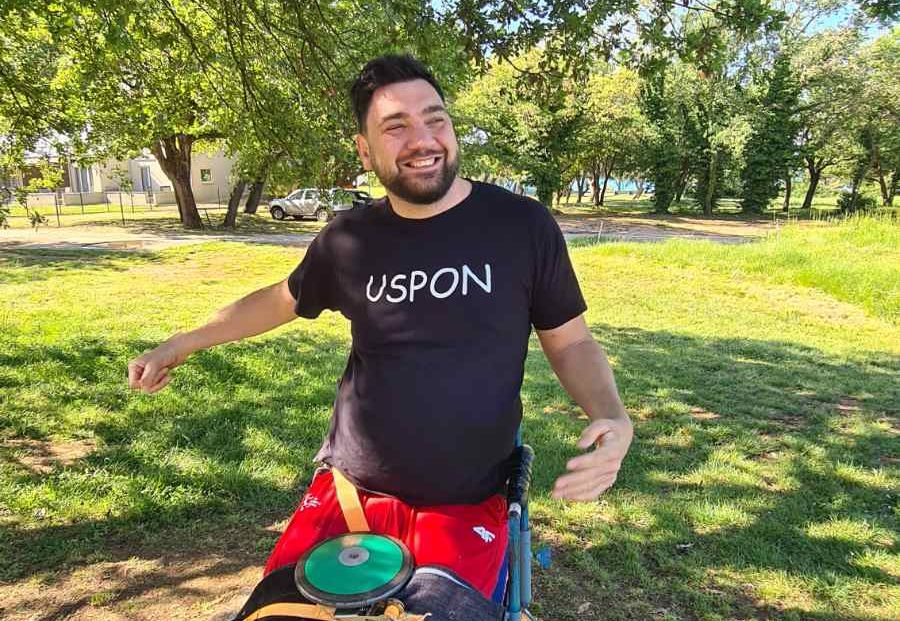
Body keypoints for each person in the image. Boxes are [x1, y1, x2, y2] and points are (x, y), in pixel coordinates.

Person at [128, 54, 633, 603]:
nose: (422, 140)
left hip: (465, 503)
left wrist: (611, 414)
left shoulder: (522, 225)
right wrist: (186, 341)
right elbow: (281, 300)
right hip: (350, 490)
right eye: (396, 127)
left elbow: (571, 341)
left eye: (435, 119)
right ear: (364, 150)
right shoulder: (349, 239)